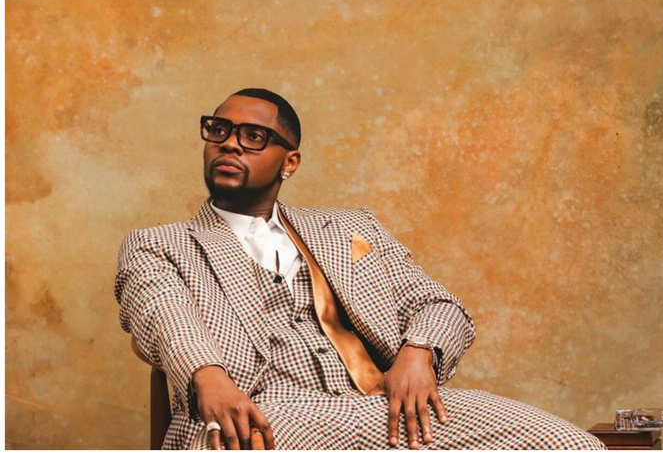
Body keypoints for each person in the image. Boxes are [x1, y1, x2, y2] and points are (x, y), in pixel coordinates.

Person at [114, 88, 606, 450]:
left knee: (569, 445)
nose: (230, 145)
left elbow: (437, 303)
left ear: (290, 162)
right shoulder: (160, 244)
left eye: (254, 136)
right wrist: (207, 377)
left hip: (384, 406)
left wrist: (418, 353)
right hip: (263, 413)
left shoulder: (350, 228)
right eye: (219, 131)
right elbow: (166, 315)